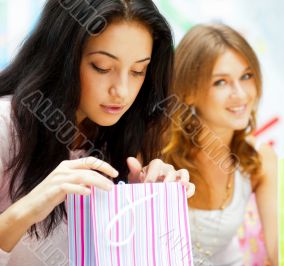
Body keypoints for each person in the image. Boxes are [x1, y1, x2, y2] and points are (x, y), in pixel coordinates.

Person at [0, 0, 194, 265]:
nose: (122, 91)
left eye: (138, 71)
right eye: (102, 67)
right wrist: (27, 209)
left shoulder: (120, 135)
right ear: (62, 56)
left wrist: (142, 207)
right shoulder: (6, 126)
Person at [163, 24, 284, 265]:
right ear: (188, 92)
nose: (241, 94)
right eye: (221, 82)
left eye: (247, 76)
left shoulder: (260, 158)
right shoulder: (156, 150)